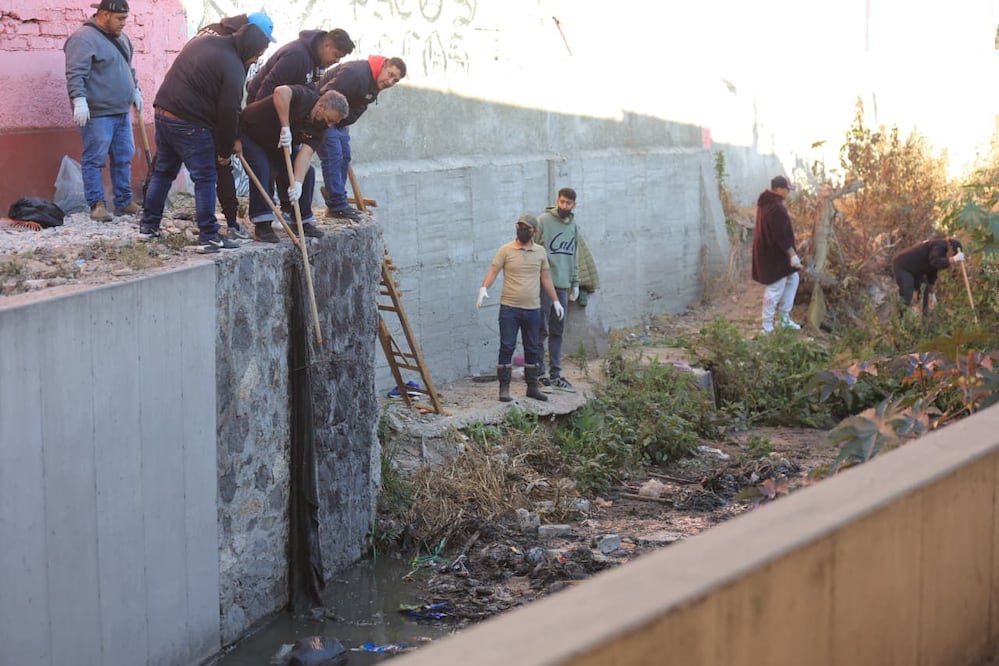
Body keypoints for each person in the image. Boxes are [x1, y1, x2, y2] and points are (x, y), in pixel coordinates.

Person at [137, 23, 271, 254]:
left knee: (163, 172)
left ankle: (148, 227)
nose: (254, 60)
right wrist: (224, 150)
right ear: (250, 49)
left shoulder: (205, 41)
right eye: (257, 55)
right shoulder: (234, 67)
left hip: (163, 112)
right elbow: (230, 112)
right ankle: (209, 235)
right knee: (206, 177)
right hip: (190, 122)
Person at [194, 11, 277, 242]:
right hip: (204, 111)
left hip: (191, 105)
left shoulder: (214, 33)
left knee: (167, 165)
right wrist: (231, 139)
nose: (259, 53)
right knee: (218, 167)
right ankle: (223, 225)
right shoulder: (228, 49)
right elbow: (230, 105)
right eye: (260, 47)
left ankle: (149, 220)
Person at [239, 85, 349, 243]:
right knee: (263, 170)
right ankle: (262, 224)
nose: (330, 125)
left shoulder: (321, 127)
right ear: (321, 106)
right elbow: (280, 91)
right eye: (330, 119)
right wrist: (285, 127)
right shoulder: (305, 97)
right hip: (252, 133)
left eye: (334, 123)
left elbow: (306, 154)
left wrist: (297, 183)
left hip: (277, 144)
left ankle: (300, 221)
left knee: (308, 173)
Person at [64, 0, 142, 222]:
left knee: (124, 156)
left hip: (121, 110)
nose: (123, 23)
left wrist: (135, 89)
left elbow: (128, 67)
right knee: (95, 158)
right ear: (104, 14)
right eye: (120, 18)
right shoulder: (83, 39)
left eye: (126, 18)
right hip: (98, 113)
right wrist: (79, 100)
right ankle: (97, 204)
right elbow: (76, 73)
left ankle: (124, 201)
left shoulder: (123, 39)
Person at [476, 215, 564, 402]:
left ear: (534, 231)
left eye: (526, 227)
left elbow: (546, 278)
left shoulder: (540, 252)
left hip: (533, 309)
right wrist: (484, 288)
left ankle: (532, 386)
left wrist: (555, 300)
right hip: (510, 308)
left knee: (532, 347)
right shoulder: (506, 250)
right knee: (507, 346)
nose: (522, 230)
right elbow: (493, 271)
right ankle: (504, 387)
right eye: (520, 226)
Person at [316, 56, 406, 222]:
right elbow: (325, 94)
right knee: (333, 154)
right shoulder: (356, 74)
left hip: (340, 121)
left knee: (344, 155)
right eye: (390, 74)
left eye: (395, 80)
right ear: (384, 65)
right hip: (325, 115)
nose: (390, 81)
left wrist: (344, 121)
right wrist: (325, 120)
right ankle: (337, 204)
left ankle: (336, 201)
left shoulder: (374, 83)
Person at [535, 187, 580, 389]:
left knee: (557, 331)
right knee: (540, 330)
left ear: (574, 205)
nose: (564, 206)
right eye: (561, 202)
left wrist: (575, 282)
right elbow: (531, 249)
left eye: (567, 203)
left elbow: (574, 256)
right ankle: (539, 372)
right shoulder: (543, 221)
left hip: (562, 285)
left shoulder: (573, 226)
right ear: (557, 201)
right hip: (544, 285)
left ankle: (555, 374)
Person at [246, 28, 355, 103]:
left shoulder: (319, 62)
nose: (337, 61)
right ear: (327, 45)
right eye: (336, 55)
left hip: (281, 104)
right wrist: (256, 119)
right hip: (259, 101)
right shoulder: (296, 55)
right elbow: (269, 85)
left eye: (340, 58)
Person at [752, 175, 803, 333]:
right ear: (779, 189)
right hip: (774, 255)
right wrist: (792, 256)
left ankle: (784, 319)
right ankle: (766, 326)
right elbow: (780, 235)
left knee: (792, 278)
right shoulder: (776, 208)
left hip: (770, 251)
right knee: (775, 287)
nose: (788, 193)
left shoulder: (766, 203)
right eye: (787, 190)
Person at [891, 237, 965, 314]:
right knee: (908, 292)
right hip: (903, 266)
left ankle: (924, 316)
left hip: (914, 270)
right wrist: (953, 259)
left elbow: (933, 269)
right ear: (951, 248)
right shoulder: (940, 245)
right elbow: (935, 261)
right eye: (952, 254)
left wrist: (932, 290)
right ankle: (900, 319)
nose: (950, 256)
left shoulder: (940, 251)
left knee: (925, 287)